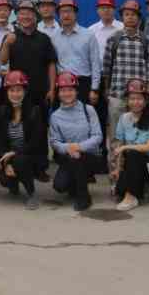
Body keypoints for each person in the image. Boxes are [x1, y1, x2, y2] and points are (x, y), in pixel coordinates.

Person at [103, 0, 149, 178]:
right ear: (122, 17)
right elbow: (107, 68)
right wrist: (107, 91)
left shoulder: (146, 40)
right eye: (127, 14)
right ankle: (115, 177)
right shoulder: (114, 39)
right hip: (117, 95)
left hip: (138, 98)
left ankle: (136, 177)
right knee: (116, 138)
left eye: (134, 15)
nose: (130, 18)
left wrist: (148, 91)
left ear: (139, 18)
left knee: (139, 136)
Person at [0, 71, 47, 209]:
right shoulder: (1, 111)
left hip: (29, 155)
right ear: (7, 92)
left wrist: (14, 153)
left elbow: (36, 142)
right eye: (12, 90)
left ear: (25, 91)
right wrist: (6, 163)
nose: (15, 94)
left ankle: (31, 194)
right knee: (5, 179)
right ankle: (13, 183)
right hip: (7, 156)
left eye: (19, 90)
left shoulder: (34, 111)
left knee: (20, 161)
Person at [49, 72, 104, 211]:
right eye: (63, 90)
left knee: (78, 160)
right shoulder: (55, 116)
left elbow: (98, 136)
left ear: (76, 91)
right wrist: (68, 148)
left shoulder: (88, 110)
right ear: (58, 93)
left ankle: (84, 197)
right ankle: (77, 182)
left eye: (70, 90)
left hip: (91, 156)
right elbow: (55, 142)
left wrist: (79, 147)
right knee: (60, 186)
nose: (67, 93)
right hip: (69, 156)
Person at [0, 0, 58, 124]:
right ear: (17, 17)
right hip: (17, 92)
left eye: (29, 13)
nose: (25, 17)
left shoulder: (44, 39)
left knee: (41, 126)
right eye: (22, 13)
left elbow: (51, 65)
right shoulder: (10, 37)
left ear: (35, 16)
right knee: (18, 125)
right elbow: (3, 61)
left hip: (40, 92)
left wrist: (52, 89)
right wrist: (6, 44)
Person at [112, 79, 149, 211]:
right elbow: (119, 145)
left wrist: (125, 147)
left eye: (139, 99)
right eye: (132, 99)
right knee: (118, 192)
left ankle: (131, 197)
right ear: (127, 101)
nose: (136, 102)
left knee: (135, 154)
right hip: (131, 163)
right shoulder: (123, 118)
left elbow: (148, 147)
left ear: (145, 101)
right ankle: (139, 188)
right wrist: (117, 169)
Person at [52, 0, 102, 107]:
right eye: (62, 12)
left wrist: (94, 89)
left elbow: (95, 63)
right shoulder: (54, 36)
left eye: (69, 11)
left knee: (83, 116)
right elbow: (53, 64)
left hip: (83, 84)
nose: (66, 15)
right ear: (58, 15)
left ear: (75, 14)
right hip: (61, 84)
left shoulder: (88, 35)